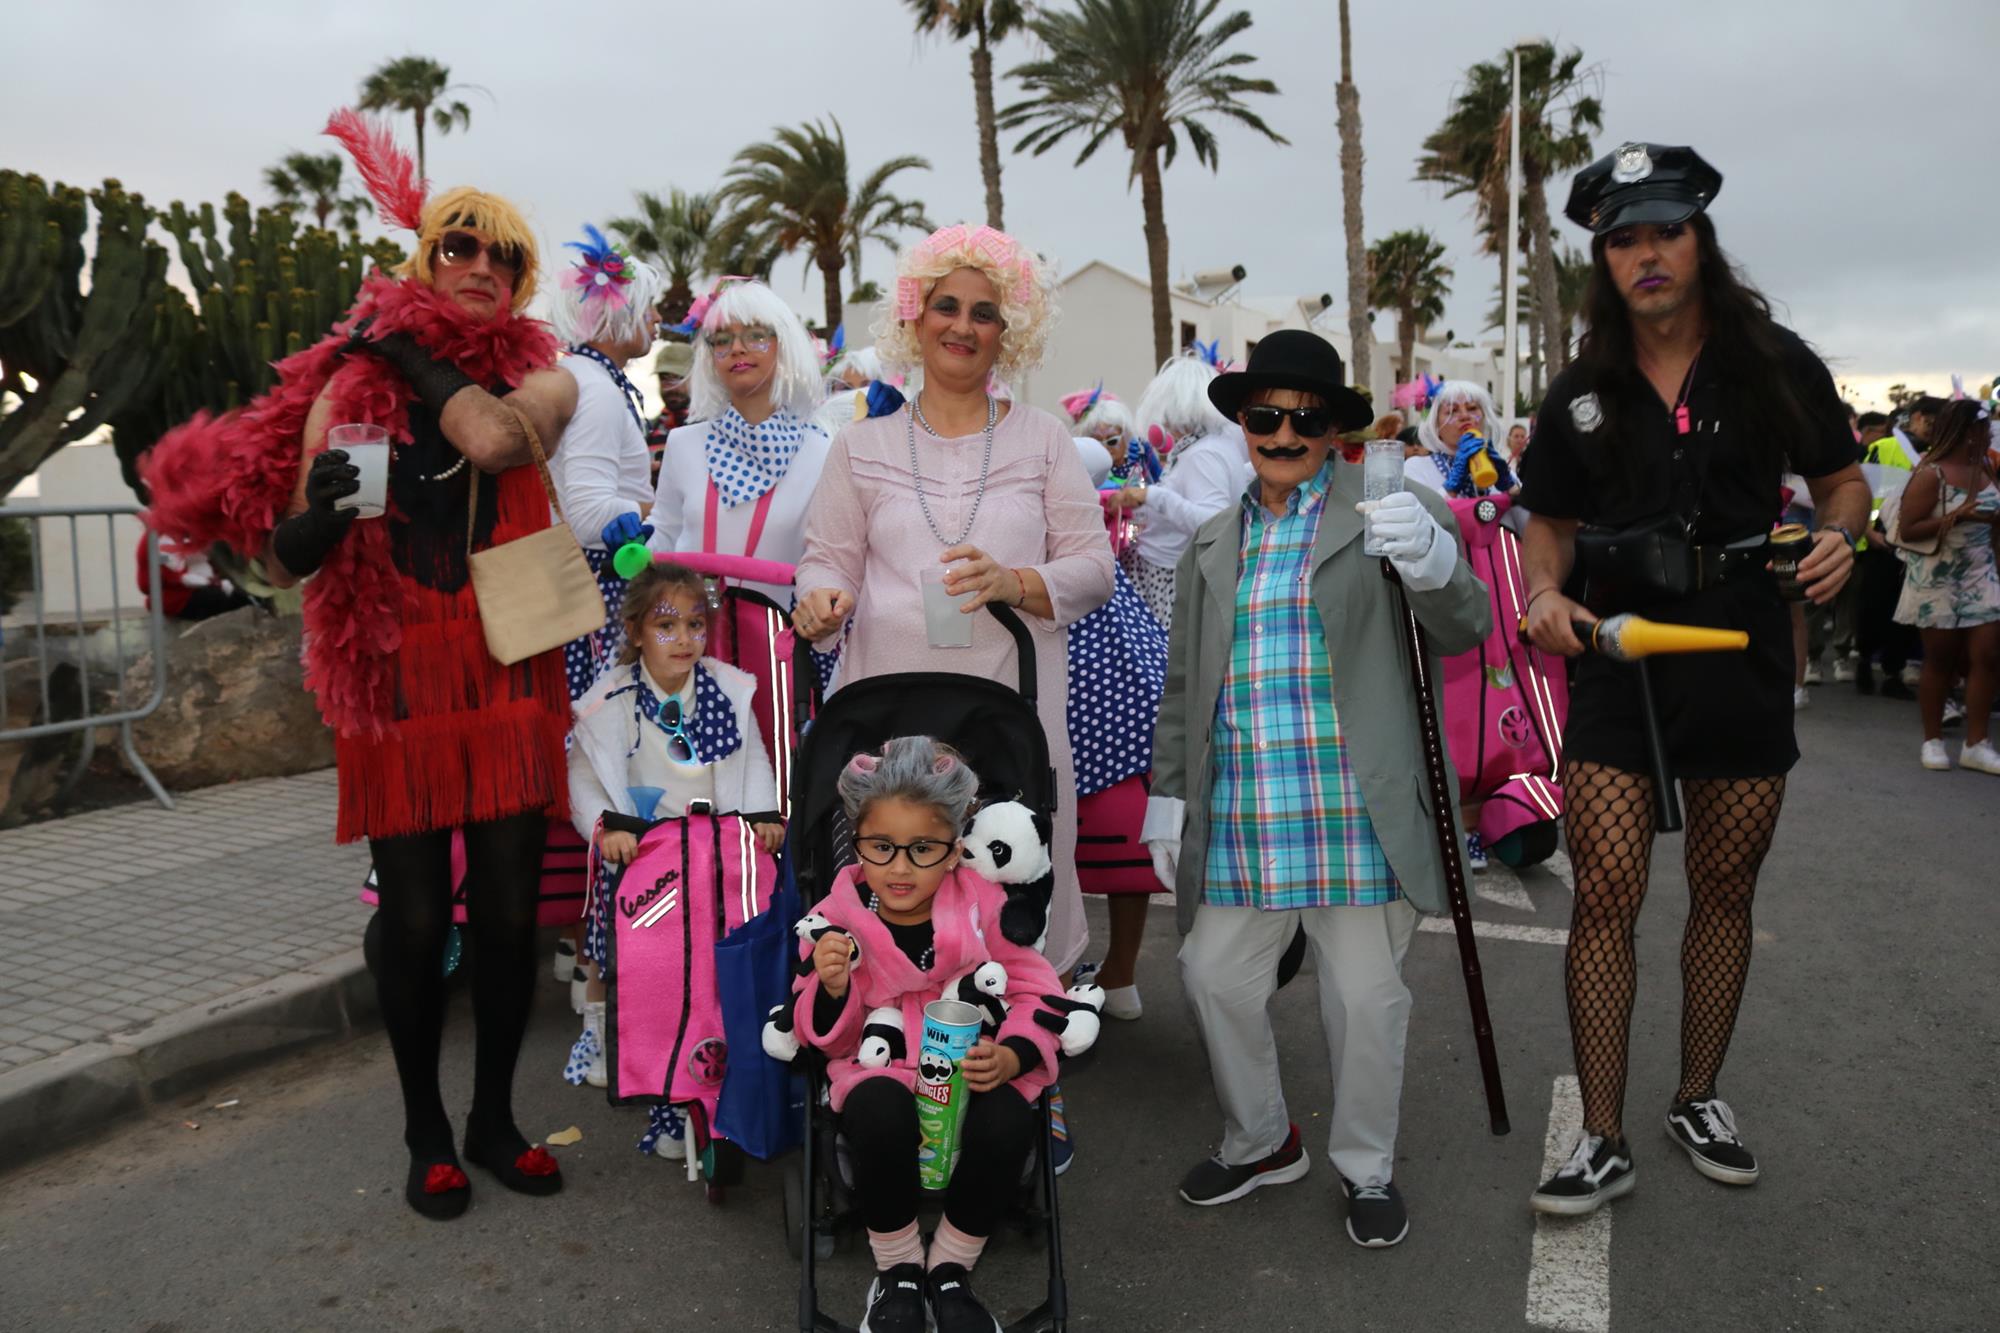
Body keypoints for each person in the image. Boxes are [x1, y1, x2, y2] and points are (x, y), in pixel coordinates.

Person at [142, 110, 583, 1218]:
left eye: (501, 255)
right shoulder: (350, 385)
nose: (479, 266)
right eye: (456, 247)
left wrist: (406, 349)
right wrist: (318, 523)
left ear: (521, 281)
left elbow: (492, 440)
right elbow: (281, 558)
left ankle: (494, 1120)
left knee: (512, 914)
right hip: (395, 673)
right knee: (420, 917)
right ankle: (427, 1130)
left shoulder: (548, 377)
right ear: (424, 259)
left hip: (505, 664)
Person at [1518, 142, 1868, 1215]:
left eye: (1665, 231)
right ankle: (1601, 1137)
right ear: (1602, 260)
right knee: (1604, 892)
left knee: (1724, 888)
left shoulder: (1773, 361)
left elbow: (1842, 482)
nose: (1646, 254)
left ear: (1699, 240)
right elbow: (1547, 524)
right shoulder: (1581, 388)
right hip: (1616, 652)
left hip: (1738, 647)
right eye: (1622, 239)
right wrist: (1543, 592)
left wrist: (1840, 536)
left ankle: (1698, 1095)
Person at [1145, 329, 1490, 1248]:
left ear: (1335, 429)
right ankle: (1262, 1138)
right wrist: (1169, 793)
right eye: (1267, 416)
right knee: (1211, 975)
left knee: (1366, 1000)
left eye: (1306, 418)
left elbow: (1465, 626)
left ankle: (1367, 1165)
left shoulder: (1394, 506)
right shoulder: (1212, 540)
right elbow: (1185, 683)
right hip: (1246, 809)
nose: (1284, 433)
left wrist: (1432, 560)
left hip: (1356, 811)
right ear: (1244, 426)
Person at [793, 223, 1115, 980]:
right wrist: (821, 600)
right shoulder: (860, 446)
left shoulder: (1045, 440)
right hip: (886, 716)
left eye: (984, 313)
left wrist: (1016, 583)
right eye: (947, 306)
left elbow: (1094, 568)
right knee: (892, 900)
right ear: (915, 316)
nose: (962, 327)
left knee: (1009, 901)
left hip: (1010, 716)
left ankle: (1021, 1037)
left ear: (1009, 332)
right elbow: (825, 562)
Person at [788, 736, 1064, 1333]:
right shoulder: (837, 917)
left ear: (954, 849)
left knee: (1010, 1116)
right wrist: (832, 987)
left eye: (922, 849)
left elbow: (1036, 986)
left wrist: (1015, 1054)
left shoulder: (983, 905)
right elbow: (824, 1039)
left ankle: (951, 1268)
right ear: (857, 842)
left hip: (972, 1064)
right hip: (881, 1067)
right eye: (881, 847)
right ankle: (898, 1271)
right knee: (877, 1108)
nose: (899, 867)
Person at [563, 561, 785, 1147]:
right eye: (666, 626)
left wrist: (762, 815)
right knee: (654, 986)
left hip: (714, 858)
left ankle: (720, 1087)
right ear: (635, 631)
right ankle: (661, 1098)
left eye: (694, 624)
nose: (683, 639)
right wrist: (607, 828)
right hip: (648, 863)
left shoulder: (727, 690)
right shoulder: (608, 703)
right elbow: (583, 779)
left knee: (715, 979)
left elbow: (752, 758)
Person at [646, 278, 830, 606]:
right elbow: (665, 533)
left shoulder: (821, 452)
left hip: (781, 633)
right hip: (691, 631)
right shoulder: (683, 444)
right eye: (722, 339)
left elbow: (829, 561)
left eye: (756, 335)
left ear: (783, 345)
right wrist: (635, 545)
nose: (737, 349)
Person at [548, 224, 665, 701]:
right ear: (621, 311)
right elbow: (587, 513)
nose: (657, 318)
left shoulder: (585, 377)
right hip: (591, 595)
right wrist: (663, 512)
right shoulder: (595, 388)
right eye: (649, 306)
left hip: (584, 590)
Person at [1889, 399, 2000, 772]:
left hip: (1982, 571)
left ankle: (1977, 743)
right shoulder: (1930, 474)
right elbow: (1908, 530)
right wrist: (1955, 517)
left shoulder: (1987, 468)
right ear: (1967, 431)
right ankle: (1932, 740)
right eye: (1983, 429)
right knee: (1940, 660)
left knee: (1987, 656)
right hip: (1937, 575)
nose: (1989, 435)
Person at [1114, 352, 1253, 625]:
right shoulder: (1208, 447)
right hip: (1166, 573)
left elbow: (1213, 522)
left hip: (1170, 582)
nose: (1164, 422)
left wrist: (1151, 495)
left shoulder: (1204, 454)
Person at [1855, 410, 1918, 697]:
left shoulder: (1937, 452)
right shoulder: (1883, 447)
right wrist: (1868, 531)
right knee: (1873, 606)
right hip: (1879, 541)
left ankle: (1894, 672)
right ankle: (1864, 661)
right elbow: (1864, 489)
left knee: (1904, 613)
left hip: (1912, 545)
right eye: (1926, 420)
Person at [1404, 380, 1517, 499]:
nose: (1465, 416)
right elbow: (1424, 510)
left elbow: (1525, 511)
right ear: (1435, 426)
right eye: (1452, 411)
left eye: (1472, 408)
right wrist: (1451, 486)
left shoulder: (1499, 468)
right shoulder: (1417, 468)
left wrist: (1510, 487)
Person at [646, 341, 694, 482]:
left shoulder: (715, 427)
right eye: (664, 379)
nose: (671, 387)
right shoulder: (648, 430)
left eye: (678, 378)